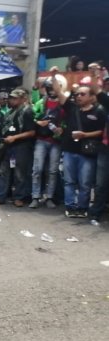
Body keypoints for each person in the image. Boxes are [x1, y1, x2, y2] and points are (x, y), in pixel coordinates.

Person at [55, 69, 106, 218]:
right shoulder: (72, 108)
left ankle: (82, 207)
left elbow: (101, 132)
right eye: (77, 94)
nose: (78, 96)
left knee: (85, 183)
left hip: (87, 152)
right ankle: (70, 206)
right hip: (70, 150)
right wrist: (54, 76)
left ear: (91, 97)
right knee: (69, 181)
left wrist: (85, 135)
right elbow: (59, 93)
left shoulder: (99, 111)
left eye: (82, 94)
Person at [0, 89, 36, 207]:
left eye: (15, 98)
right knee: (3, 172)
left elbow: (32, 132)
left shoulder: (27, 111)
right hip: (8, 146)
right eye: (11, 98)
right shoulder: (9, 112)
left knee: (19, 174)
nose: (12, 100)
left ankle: (19, 197)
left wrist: (15, 137)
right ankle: (0, 196)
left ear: (23, 99)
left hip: (21, 146)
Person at [29, 78, 65, 209]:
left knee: (53, 171)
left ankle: (49, 197)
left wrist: (63, 128)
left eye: (54, 88)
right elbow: (31, 114)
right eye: (49, 88)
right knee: (37, 169)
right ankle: (35, 197)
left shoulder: (63, 104)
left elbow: (68, 118)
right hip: (41, 140)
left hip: (56, 141)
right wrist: (38, 122)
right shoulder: (41, 102)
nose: (52, 91)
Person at [88, 64, 109, 224]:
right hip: (106, 149)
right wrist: (95, 75)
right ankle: (95, 212)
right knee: (101, 183)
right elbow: (96, 91)